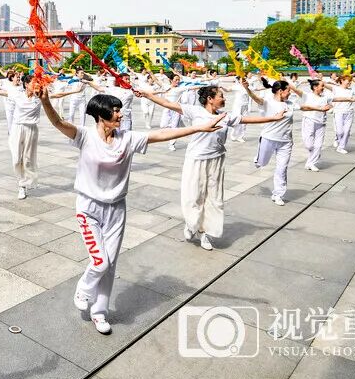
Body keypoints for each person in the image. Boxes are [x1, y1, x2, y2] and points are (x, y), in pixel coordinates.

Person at [38, 87, 226, 333]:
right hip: (89, 208)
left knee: (111, 264)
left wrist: (197, 128)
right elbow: (58, 122)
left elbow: (161, 134)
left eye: (120, 110)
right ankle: (84, 289)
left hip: (116, 208)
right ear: (100, 115)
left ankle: (100, 312)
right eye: (115, 111)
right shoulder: (84, 136)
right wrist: (46, 102)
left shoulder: (127, 138)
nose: (120, 114)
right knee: (99, 262)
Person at [138, 82, 283, 250]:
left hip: (217, 160)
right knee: (194, 195)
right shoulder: (196, 111)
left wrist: (273, 118)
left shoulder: (226, 116)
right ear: (210, 99)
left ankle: (207, 233)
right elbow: (168, 103)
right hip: (196, 159)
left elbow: (248, 119)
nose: (224, 98)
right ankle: (191, 224)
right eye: (220, 96)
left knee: (214, 198)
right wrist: (147, 95)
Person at [0, 74, 77, 199]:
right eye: (33, 83)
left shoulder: (39, 97)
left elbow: (58, 95)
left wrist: (75, 91)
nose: (36, 85)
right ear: (26, 84)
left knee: (27, 160)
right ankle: (21, 182)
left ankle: (22, 186)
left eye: (37, 83)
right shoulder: (17, 94)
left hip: (31, 129)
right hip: (17, 128)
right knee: (16, 159)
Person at [245, 79, 304, 205]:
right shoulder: (268, 102)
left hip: (286, 142)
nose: (290, 92)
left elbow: (305, 106)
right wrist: (247, 89)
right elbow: (256, 98)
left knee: (282, 168)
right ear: (280, 91)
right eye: (288, 90)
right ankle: (258, 158)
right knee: (262, 163)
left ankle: (278, 194)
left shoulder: (290, 103)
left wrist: (321, 108)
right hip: (269, 138)